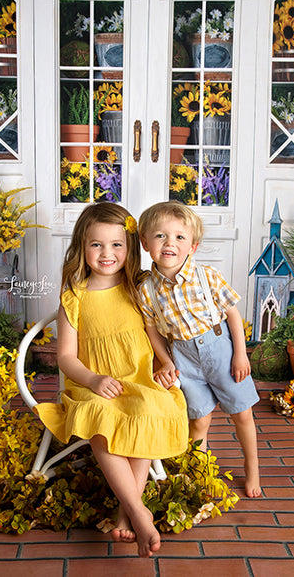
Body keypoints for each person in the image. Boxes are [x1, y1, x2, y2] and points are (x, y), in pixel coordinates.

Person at [35, 202, 188, 558]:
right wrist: (92, 379)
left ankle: (125, 511)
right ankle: (138, 510)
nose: (107, 253)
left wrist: (164, 363)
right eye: (96, 245)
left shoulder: (139, 289)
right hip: (92, 385)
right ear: (82, 246)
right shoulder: (74, 296)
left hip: (137, 379)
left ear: (130, 247)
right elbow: (65, 358)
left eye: (117, 244)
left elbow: (155, 336)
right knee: (104, 420)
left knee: (148, 406)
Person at [137, 200, 262, 499]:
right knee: (199, 419)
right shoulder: (146, 290)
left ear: (192, 246)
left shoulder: (207, 277)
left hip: (221, 349)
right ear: (145, 243)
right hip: (184, 357)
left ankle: (252, 466)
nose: (170, 243)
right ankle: (200, 472)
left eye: (180, 237)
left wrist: (240, 354)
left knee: (242, 413)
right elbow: (152, 330)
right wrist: (165, 361)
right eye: (160, 236)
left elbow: (232, 314)